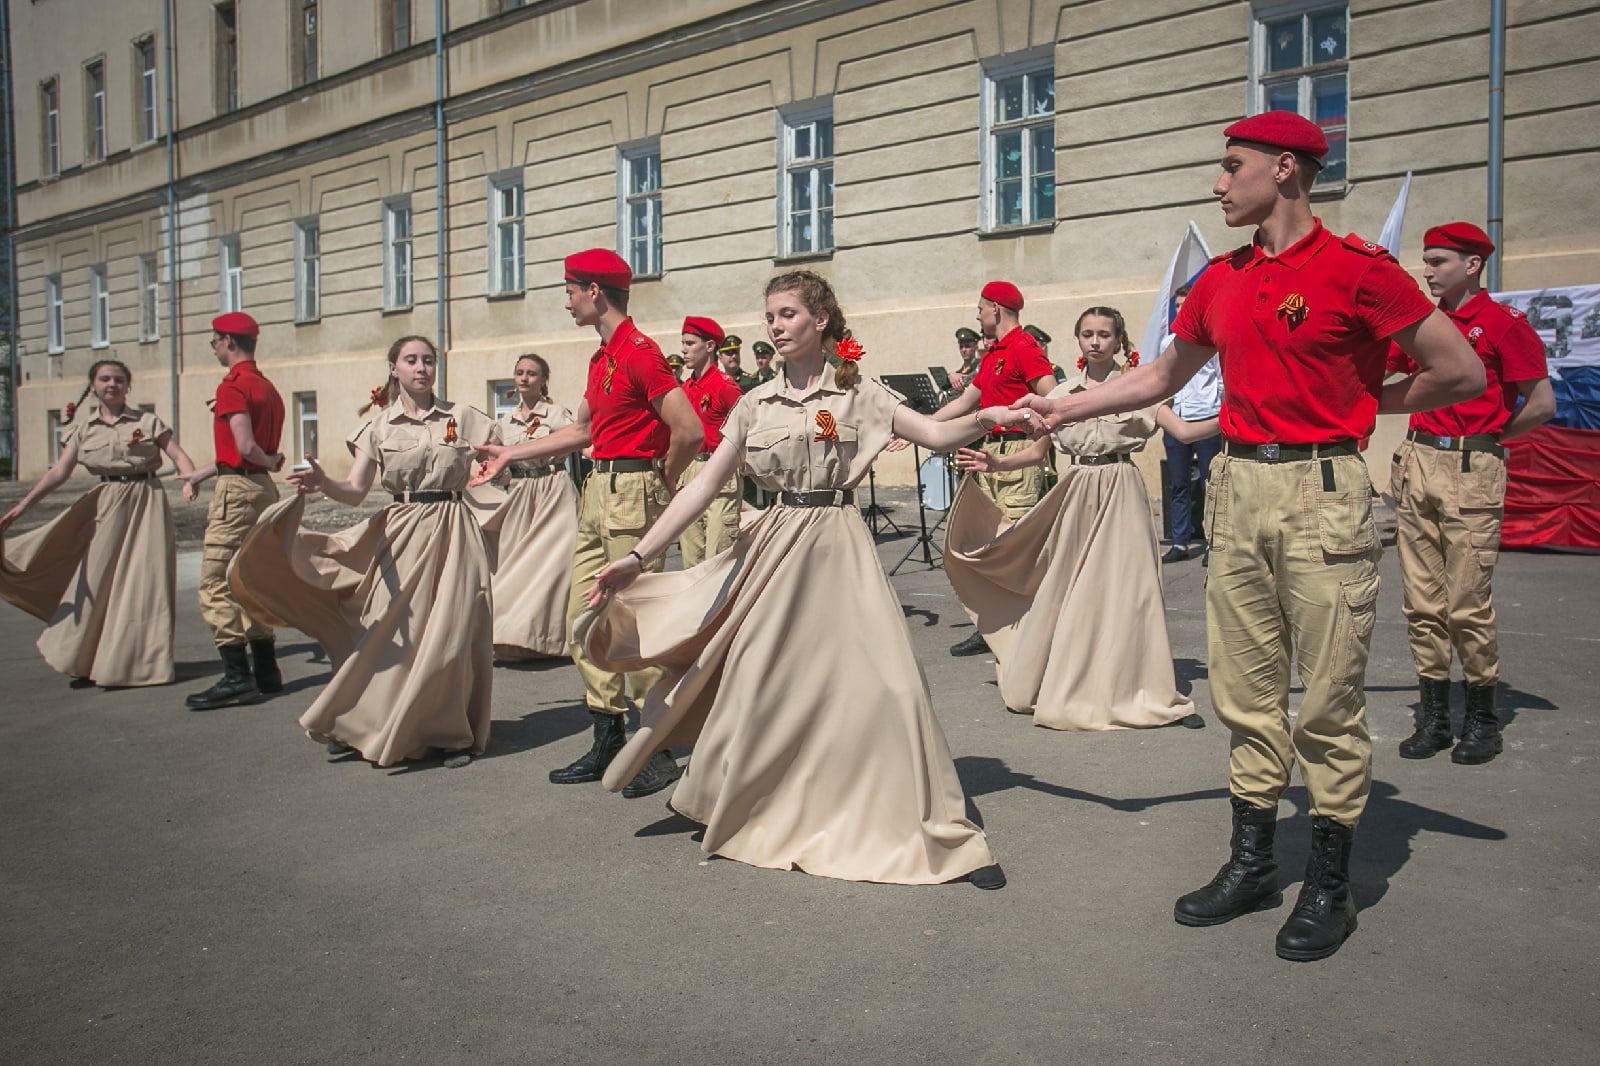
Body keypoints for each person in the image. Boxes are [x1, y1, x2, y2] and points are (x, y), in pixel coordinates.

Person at [1012, 111, 1484, 961]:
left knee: (1331, 697)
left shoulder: (1359, 271)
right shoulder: (1221, 280)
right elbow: (1162, 375)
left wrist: (1357, 404)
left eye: (1233, 166)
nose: (1218, 182)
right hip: (1239, 483)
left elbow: (1459, 370)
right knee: (1245, 687)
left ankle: (1331, 886)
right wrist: (1064, 405)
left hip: (1323, 487)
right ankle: (1254, 861)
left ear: (1287, 171)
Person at [575, 268, 1018, 888]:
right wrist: (639, 556)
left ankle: (925, 821)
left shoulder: (860, 393)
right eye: (770, 317)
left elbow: (937, 433)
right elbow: (703, 485)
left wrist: (994, 414)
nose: (775, 326)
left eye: (786, 315)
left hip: (839, 547)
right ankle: (737, 798)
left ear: (821, 321)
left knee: (888, 686)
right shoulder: (755, 402)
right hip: (776, 548)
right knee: (760, 682)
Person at [471, 248, 704, 798]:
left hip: (633, 490)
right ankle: (608, 735)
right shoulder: (602, 358)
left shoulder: (642, 354)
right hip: (597, 489)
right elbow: (582, 431)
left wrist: (663, 481)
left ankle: (658, 748)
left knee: (634, 625)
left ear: (595, 291)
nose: (567, 298)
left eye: (571, 288)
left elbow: (688, 430)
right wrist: (513, 453)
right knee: (582, 619)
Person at [230, 335, 499, 768]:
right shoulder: (378, 426)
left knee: (453, 634)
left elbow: (498, 464)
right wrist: (323, 484)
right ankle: (366, 723)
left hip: (453, 530)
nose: (421, 368)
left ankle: (450, 734)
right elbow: (355, 492)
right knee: (389, 634)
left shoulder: (465, 416)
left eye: (428, 360)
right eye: (411, 360)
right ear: (393, 368)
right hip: (401, 533)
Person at [946, 307, 1213, 730]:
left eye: (1104, 334)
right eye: (1087, 333)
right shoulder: (1062, 395)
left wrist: (1241, 416)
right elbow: (1039, 452)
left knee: (1132, 589)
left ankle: (1141, 687)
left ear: (1118, 340)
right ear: (1078, 340)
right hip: (1079, 489)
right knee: (1070, 588)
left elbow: (1184, 432)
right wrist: (994, 462)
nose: (1095, 341)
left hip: (1122, 487)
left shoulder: (1139, 390)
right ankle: (1073, 678)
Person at [1389, 222, 1553, 765]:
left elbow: (1541, 402)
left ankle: (1482, 717)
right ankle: (1435, 717)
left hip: (1470, 465)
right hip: (1418, 459)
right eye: (1426, 260)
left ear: (1472, 264)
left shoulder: (1502, 324)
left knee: (1467, 603)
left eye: (1438, 261)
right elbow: (1385, 374)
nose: (1428, 271)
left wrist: (1488, 440)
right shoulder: (1424, 325)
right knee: (1421, 603)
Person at [1, 360, 198, 688]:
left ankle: (142, 664)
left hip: (146, 501)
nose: (112, 385)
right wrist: (22, 505)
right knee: (94, 584)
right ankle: (86, 661)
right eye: (105, 379)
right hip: (106, 505)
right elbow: (58, 473)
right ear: (93, 385)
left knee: (147, 584)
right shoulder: (83, 429)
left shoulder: (148, 421)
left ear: (127, 386)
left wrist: (190, 479)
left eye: (119, 380)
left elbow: (179, 456)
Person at [929, 281, 1055, 656]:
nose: (978, 316)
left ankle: (1031, 630)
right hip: (989, 454)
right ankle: (993, 628)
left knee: (1016, 545)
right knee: (987, 544)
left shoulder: (1024, 348)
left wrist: (1041, 442)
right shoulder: (995, 353)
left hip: (1018, 451)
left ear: (996, 309)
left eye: (981, 309)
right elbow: (969, 400)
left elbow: (1053, 398)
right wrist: (922, 425)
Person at [181, 312, 287, 711]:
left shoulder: (233, 387)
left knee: (215, 582)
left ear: (227, 341)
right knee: (249, 577)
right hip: (260, 488)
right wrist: (199, 474)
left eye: (214, 342)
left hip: (238, 490)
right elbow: (239, 454)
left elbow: (244, 448)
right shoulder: (267, 388)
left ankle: (236, 676)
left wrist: (268, 458)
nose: (215, 349)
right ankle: (265, 669)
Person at [483, 353, 579, 660]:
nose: (525, 378)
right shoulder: (502, 424)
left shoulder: (555, 414)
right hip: (520, 494)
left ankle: (553, 640)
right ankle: (513, 636)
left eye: (532, 374)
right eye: (520, 373)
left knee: (554, 565)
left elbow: (576, 441)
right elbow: (496, 464)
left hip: (553, 489)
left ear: (544, 380)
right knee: (517, 564)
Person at [1159, 283, 1223, 563]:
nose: (1181, 311)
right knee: (1179, 483)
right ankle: (1181, 543)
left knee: (1213, 483)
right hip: (1177, 420)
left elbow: (1221, 380)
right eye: (1177, 306)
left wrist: (1220, 412)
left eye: (1186, 305)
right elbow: (1164, 380)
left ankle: (1214, 542)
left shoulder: (1212, 340)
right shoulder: (1167, 342)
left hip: (1207, 417)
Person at [677, 316, 744, 567]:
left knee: (718, 557)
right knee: (691, 559)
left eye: (690, 343)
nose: (684, 349)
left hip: (719, 469)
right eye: (683, 343)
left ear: (709, 347)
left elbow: (745, 429)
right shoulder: (687, 388)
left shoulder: (724, 386)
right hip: (691, 469)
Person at [947, 327, 982, 393]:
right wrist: (950, 376)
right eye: (961, 347)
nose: (964, 350)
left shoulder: (981, 365)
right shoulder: (959, 372)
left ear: (976, 347)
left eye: (967, 346)